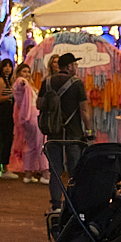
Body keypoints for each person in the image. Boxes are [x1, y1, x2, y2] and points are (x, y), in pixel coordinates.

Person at [40, 52, 92, 209]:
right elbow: (84, 111)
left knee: (55, 170)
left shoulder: (47, 82)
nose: (76, 67)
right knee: (74, 170)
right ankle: (72, 203)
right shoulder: (76, 84)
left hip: (53, 132)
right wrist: (89, 131)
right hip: (73, 134)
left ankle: (56, 203)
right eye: (75, 65)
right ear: (69, 66)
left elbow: (39, 104)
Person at [9, 62, 47, 184]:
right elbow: (21, 83)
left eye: (28, 72)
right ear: (19, 73)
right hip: (33, 117)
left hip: (27, 118)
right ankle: (46, 174)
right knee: (41, 144)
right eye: (24, 71)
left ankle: (28, 173)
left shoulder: (26, 86)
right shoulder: (20, 83)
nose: (26, 74)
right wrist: (23, 81)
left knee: (30, 145)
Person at [0, 57, 15, 174]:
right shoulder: (1, 81)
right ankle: (2, 165)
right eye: (5, 66)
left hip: (9, 112)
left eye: (9, 66)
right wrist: (11, 96)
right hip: (3, 112)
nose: (8, 68)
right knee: (5, 138)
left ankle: (2, 164)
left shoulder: (9, 81)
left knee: (6, 138)